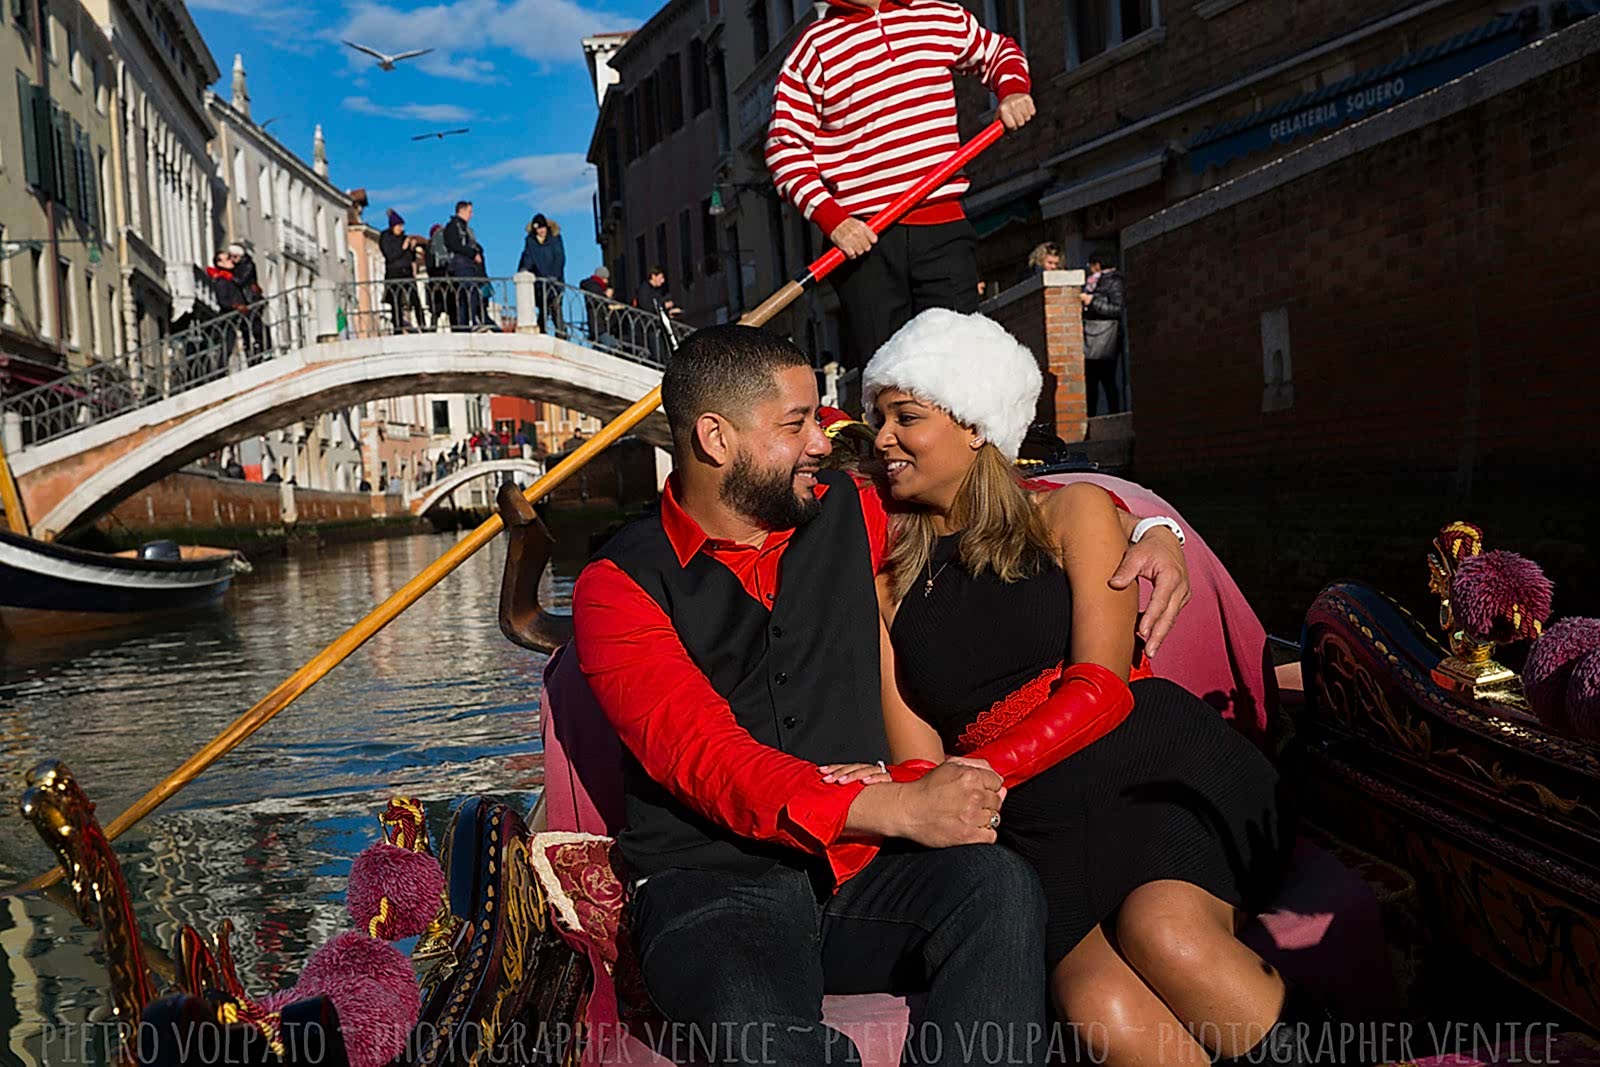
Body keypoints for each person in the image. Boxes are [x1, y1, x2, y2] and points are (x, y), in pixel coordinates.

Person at [570, 324, 1193, 1065]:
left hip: (866, 871)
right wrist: (894, 804)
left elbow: (993, 498)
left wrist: (1154, 527)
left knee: (995, 887)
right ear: (716, 438)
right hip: (712, 885)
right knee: (758, 1037)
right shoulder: (616, 586)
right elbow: (706, 757)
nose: (822, 443)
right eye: (797, 424)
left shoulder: (847, 508)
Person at [822, 309, 1314, 1067]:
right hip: (1029, 823)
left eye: (905, 416)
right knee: (1101, 1008)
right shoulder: (888, 582)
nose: (881, 437)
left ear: (978, 426)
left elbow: (1103, 689)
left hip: (1144, 765)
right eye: (877, 417)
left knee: (1168, 936)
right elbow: (921, 759)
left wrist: (980, 771)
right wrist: (903, 789)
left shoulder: (1072, 511)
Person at [766, 0, 1036, 369]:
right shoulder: (813, 50)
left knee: (961, 364)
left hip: (941, 227)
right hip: (863, 242)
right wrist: (835, 221)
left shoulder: (938, 14)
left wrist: (1013, 91)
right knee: (886, 376)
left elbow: (998, 52)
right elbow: (785, 149)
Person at [1082, 249, 1125, 416]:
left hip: (1107, 337)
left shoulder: (1114, 281)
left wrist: (1092, 301)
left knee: (1108, 380)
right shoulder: (1094, 281)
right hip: (1092, 337)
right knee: (1091, 383)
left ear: (1097, 265)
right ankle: (1091, 417)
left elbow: (1116, 309)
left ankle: (1114, 414)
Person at [518, 213, 567, 338]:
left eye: (543, 228)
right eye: (539, 229)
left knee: (556, 307)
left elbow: (559, 258)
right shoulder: (530, 242)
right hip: (540, 284)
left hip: (555, 281)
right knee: (543, 309)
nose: (542, 231)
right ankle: (541, 333)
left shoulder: (555, 239)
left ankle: (561, 334)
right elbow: (528, 258)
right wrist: (524, 270)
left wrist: (555, 276)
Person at [379, 209, 424, 334]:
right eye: (398, 226)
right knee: (395, 301)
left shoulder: (404, 238)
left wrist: (411, 248)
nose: (401, 228)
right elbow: (390, 255)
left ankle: (423, 325)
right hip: (394, 272)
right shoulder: (386, 238)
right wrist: (402, 248)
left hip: (407, 272)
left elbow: (411, 257)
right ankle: (398, 327)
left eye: (402, 226)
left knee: (415, 299)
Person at [443, 200, 485, 330]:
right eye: (469, 211)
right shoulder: (454, 226)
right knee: (468, 294)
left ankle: (467, 324)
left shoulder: (462, 227)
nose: (471, 215)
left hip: (467, 265)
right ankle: (467, 324)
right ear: (461, 211)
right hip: (461, 265)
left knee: (467, 295)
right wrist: (472, 254)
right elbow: (456, 245)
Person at [227, 242, 271, 359]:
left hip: (250, 299)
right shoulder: (237, 267)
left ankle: (264, 347)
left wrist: (229, 275)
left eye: (234, 257)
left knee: (255, 323)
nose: (232, 259)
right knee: (246, 326)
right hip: (243, 300)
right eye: (230, 257)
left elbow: (241, 281)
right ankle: (252, 350)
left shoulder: (248, 265)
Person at [578, 266, 619, 344]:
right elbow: (598, 299)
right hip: (599, 325)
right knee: (610, 345)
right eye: (606, 279)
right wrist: (607, 297)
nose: (607, 281)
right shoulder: (593, 286)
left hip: (602, 325)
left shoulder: (596, 287)